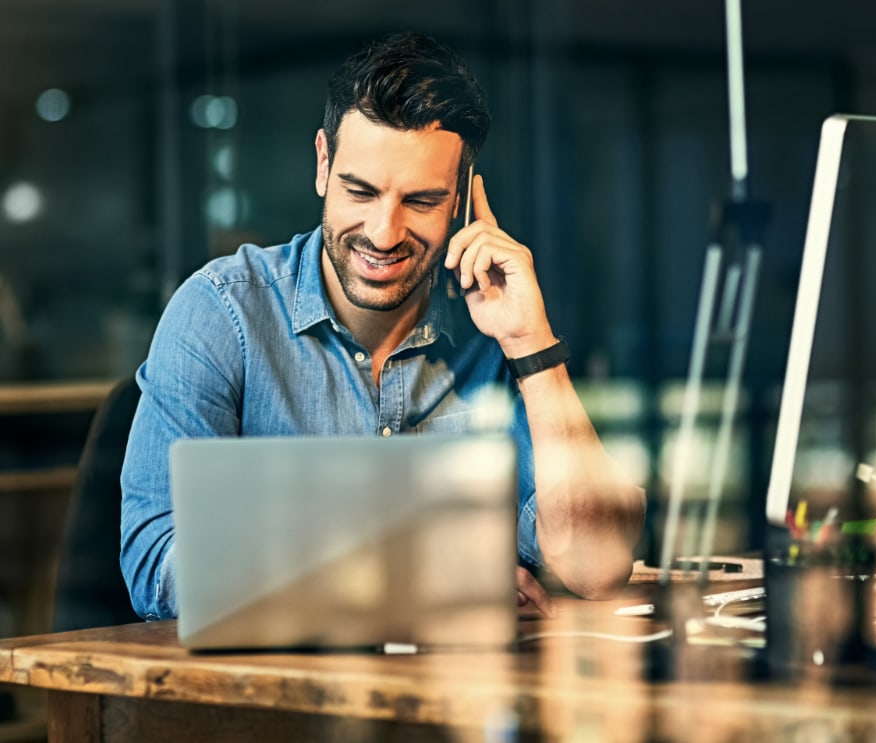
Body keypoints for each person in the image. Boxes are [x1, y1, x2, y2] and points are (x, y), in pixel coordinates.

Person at [120, 31, 645, 622]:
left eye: (421, 201)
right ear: (323, 164)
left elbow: (595, 567)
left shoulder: (494, 334)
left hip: (460, 700)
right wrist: (424, 575)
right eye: (360, 191)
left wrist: (531, 347)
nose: (384, 232)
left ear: (462, 202)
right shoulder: (223, 313)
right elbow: (158, 568)